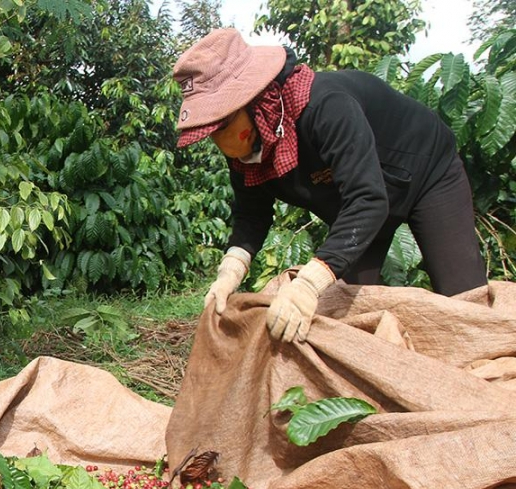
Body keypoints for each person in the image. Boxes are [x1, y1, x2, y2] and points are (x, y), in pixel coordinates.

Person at [173, 28, 488, 342]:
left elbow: (368, 198)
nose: (218, 139)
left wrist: (308, 283)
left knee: (464, 306)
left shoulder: (324, 106)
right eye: (209, 130)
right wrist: (231, 270)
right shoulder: (248, 148)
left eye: (221, 124)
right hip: (356, 208)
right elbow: (252, 215)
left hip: (425, 171)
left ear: (256, 101)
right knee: (349, 316)